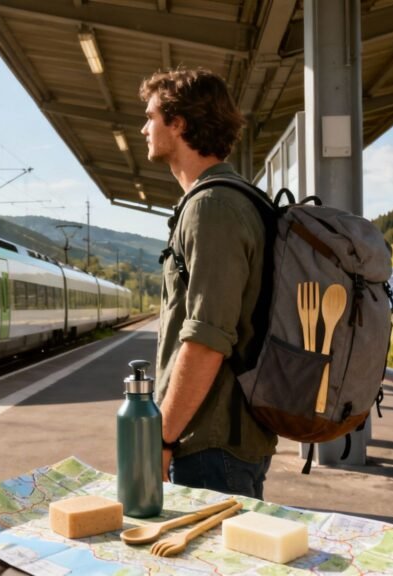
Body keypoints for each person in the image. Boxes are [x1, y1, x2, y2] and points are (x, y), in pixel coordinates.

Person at [139, 67, 277, 498]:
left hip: (210, 443)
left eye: (150, 117)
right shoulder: (232, 199)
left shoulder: (212, 206)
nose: (144, 128)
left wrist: (161, 437)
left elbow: (207, 338)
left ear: (178, 123)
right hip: (225, 438)